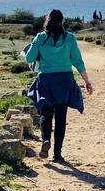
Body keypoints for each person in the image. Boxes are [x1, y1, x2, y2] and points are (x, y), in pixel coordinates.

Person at [24, 9, 94, 163]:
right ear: (62, 22)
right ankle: (58, 154)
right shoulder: (69, 38)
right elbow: (78, 61)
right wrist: (87, 81)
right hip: (64, 79)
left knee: (45, 113)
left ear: (47, 21)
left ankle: (45, 140)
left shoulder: (40, 38)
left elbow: (29, 57)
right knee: (61, 117)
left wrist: (35, 47)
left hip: (46, 80)